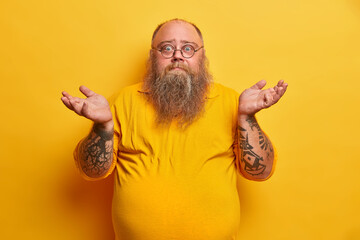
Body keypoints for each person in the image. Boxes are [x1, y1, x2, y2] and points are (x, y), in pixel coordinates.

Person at [61, 19, 288, 240]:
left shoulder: (231, 102)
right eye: (166, 48)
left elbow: (260, 172)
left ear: (202, 56)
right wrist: (103, 127)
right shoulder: (121, 102)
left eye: (188, 48)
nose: (177, 55)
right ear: (152, 57)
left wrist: (247, 118)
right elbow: (92, 171)